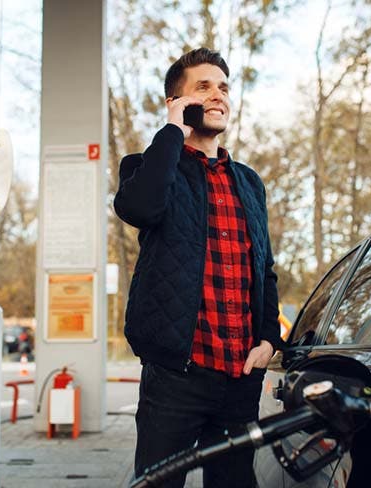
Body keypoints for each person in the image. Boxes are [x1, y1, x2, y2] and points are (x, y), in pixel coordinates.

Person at [114, 48, 283, 487]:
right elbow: (141, 207)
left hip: (239, 379)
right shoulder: (145, 166)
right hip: (176, 376)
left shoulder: (249, 182)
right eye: (203, 87)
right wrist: (173, 130)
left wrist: (269, 338)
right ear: (177, 100)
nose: (218, 95)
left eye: (224, 87)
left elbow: (263, 268)